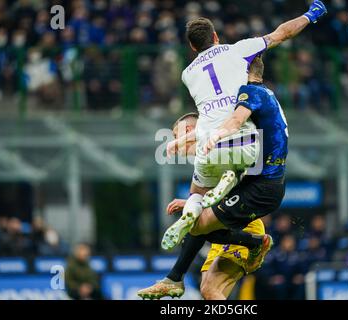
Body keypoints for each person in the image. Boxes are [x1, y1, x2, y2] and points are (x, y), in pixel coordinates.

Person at [162, 0, 328, 250]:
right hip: (242, 141)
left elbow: (212, 114)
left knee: (195, 195)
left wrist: (180, 140)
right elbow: (282, 33)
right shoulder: (239, 49)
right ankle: (229, 181)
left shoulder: (187, 74)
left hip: (208, 146)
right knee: (243, 161)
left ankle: (197, 204)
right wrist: (311, 14)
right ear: (216, 36)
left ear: (192, 46)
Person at [138, 55, 290, 299]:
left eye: (180, 134)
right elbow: (197, 193)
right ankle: (175, 278)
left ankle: (177, 277)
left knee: (196, 225)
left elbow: (231, 127)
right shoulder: (208, 155)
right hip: (225, 220)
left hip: (243, 220)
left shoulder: (223, 142)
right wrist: (191, 202)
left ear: (189, 129)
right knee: (209, 290)